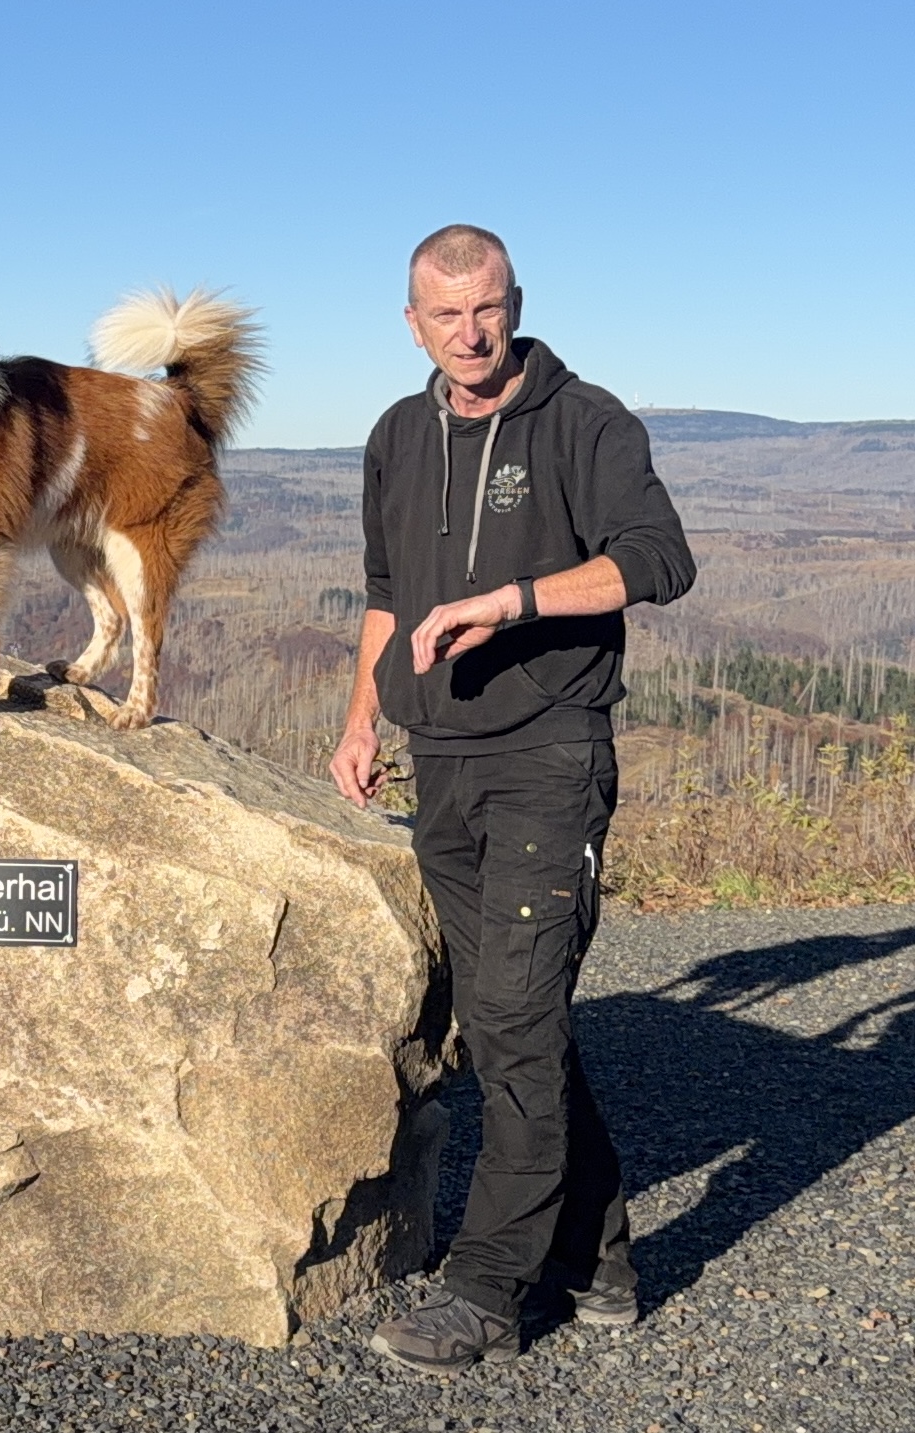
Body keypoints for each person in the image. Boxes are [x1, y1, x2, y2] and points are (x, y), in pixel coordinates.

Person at [330, 224, 696, 1374]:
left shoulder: (583, 422)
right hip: (439, 761)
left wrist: (514, 600)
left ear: (514, 303)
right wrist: (359, 719)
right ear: (411, 324)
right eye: (444, 314)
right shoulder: (396, 437)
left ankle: (486, 1290)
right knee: (498, 1026)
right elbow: (384, 593)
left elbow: (659, 558)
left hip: (548, 757)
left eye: (484, 308)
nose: (469, 332)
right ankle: (598, 1257)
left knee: (517, 1020)